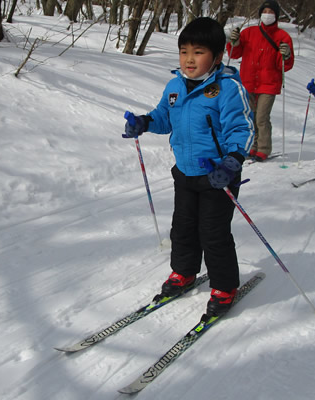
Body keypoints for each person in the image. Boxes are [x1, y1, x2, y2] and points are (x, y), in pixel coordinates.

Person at [123, 17, 254, 317]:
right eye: (184, 51)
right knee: (182, 228)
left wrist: (233, 162)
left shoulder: (228, 88)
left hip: (218, 176)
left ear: (217, 56)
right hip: (184, 173)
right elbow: (163, 117)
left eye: (198, 52)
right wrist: (143, 122)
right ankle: (184, 272)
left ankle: (224, 286)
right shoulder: (174, 86)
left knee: (213, 232)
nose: (189, 59)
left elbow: (242, 128)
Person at [225, 0, 293, 162]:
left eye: (271, 12)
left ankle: (263, 148)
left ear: (276, 15)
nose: (267, 15)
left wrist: (286, 55)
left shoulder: (282, 36)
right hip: (248, 81)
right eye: (265, 11)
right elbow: (235, 54)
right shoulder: (249, 33)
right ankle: (252, 146)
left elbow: (283, 65)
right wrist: (233, 42)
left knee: (261, 117)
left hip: (269, 84)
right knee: (250, 116)